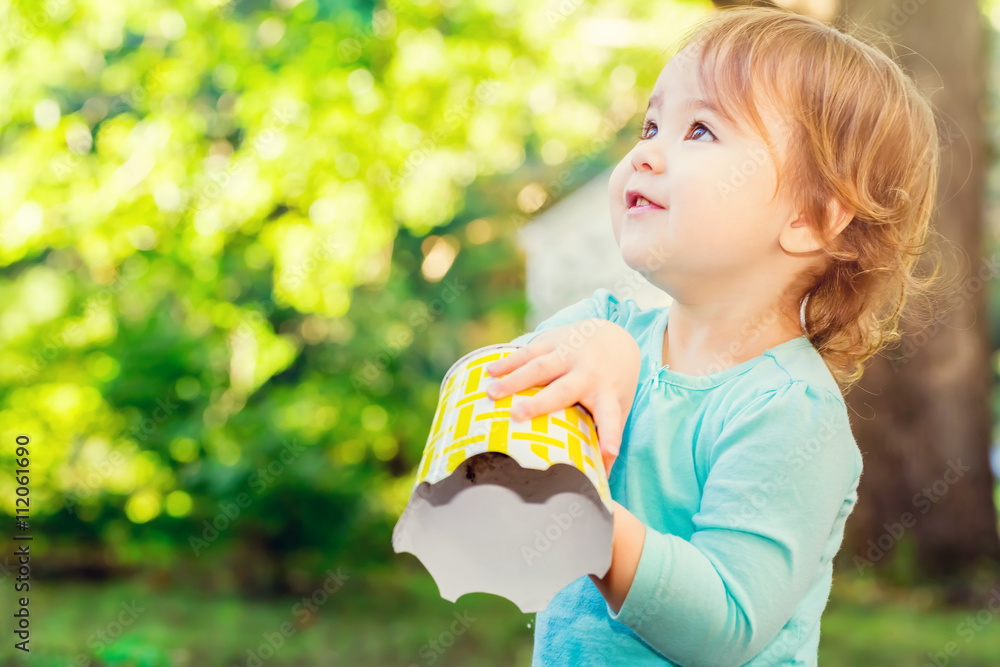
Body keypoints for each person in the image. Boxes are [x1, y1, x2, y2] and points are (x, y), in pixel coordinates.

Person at [481, 6, 947, 666]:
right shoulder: (604, 325)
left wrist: (592, 525)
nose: (644, 151)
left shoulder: (787, 412)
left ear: (812, 218)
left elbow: (725, 624)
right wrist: (601, 351)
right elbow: (493, 403)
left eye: (700, 130)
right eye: (650, 124)